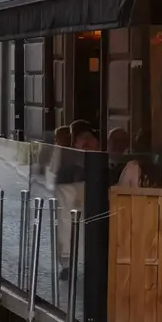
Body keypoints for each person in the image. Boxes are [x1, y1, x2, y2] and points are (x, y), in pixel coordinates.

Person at [54, 120, 98, 281]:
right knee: (69, 224)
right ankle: (70, 262)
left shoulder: (72, 150)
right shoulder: (70, 152)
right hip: (73, 187)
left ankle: (69, 263)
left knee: (69, 224)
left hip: (74, 187)